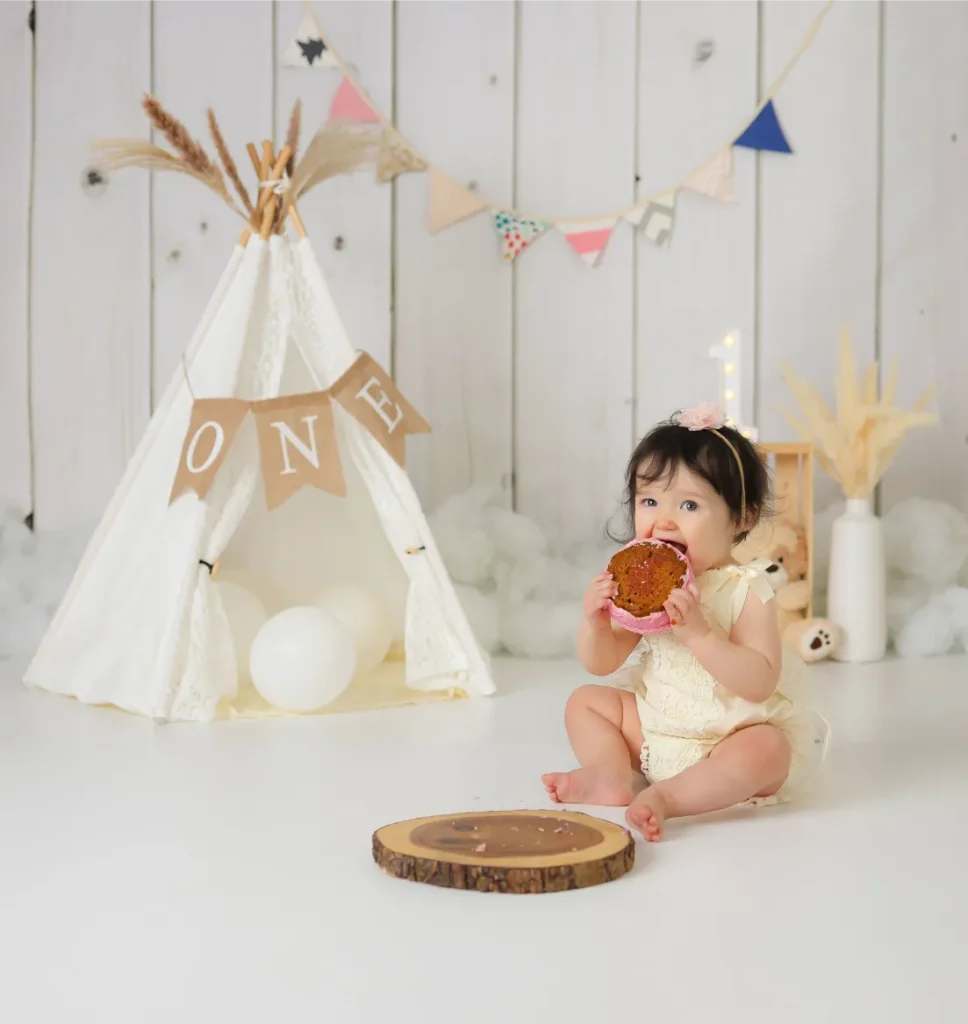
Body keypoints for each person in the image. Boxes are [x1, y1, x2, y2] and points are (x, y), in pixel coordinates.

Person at [541, 404, 828, 841]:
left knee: (768, 750)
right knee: (585, 702)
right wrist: (596, 624)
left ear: (742, 517)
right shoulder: (641, 584)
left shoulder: (745, 590)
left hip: (729, 737)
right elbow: (600, 663)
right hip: (658, 731)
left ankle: (670, 799)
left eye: (690, 504)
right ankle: (614, 774)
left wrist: (700, 634)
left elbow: (759, 682)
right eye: (649, 501)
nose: (665, 519)